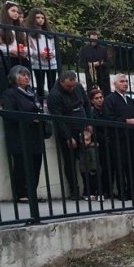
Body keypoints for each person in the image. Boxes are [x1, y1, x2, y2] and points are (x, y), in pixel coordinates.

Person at [0, 65, 47, 203]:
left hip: (35, 135)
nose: (27, 77)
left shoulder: (32, 94)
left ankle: (31, 192)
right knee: (21, 165)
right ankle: (21, 193)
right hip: (20, 136)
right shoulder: (10, 93)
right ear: (14, 77)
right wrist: (31, 119)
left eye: (28, 75)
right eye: (23, 75)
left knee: (36, 164)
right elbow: (10, 114)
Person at [47, 70, 92, 199]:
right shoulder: (54, 94)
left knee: (87, 160)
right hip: (68, 130)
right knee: (70, 162)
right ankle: (74, 191)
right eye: (68, 86)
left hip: (82, 127)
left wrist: (89, 123)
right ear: (61, 82)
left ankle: (90, 190)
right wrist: (68, 137)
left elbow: (87, 104)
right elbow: (58, 118)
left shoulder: (78, 87)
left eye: (73, 85)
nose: (72, 88)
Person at [104, 74, 134, 200]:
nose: (125, 84)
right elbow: (108, 118)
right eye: (122, 81)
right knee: (120, 166)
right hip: (118, 138)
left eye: (126, 81)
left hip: (132, 137)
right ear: (115, 84)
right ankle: (123, 192)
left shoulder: (130, 100)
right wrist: (127, 121)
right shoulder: (110, 100)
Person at [24, 8, 58, 100]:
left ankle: (52, 104)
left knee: (52, 86)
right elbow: (29, 49)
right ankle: (41, 105)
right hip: (38, 63)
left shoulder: (49, 33)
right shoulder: (29, 34)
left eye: (42, 18)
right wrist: (39, 54)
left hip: (51, 63)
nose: (40, 20)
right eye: (38, 17)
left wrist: (52, 53)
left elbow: (54, 47)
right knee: (40, 86)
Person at [88, 88, 113, 198]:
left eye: (101, 97)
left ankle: (109, 190)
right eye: (96, 98)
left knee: (110, 167)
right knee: (101, 168)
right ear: (92, 100)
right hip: (99, 143)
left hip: (109, 141)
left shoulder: (106, 110)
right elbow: (93, 129)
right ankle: (101, 190)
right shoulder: (92, 112)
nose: (99, 100)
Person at [0, 1, 30, 72]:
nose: (16, 13)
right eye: (13, 11)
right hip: (8, 59)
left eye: (17, 12)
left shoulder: (20, 29)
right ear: (6, 12)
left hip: (22, 60)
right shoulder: (0, 27)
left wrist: (25, 51)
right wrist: (11, 50)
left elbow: (27, 46)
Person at [78, 31, 111, 95]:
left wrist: (100, 63)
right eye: (92, 39)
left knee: (106, 95)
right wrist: (91, 64)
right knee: (92, 95)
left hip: (103, 76)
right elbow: (81, 64)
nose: (94, 41)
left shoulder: (103, 49)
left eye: (96, 39)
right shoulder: (84, 49)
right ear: (88, 39)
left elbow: (108, 63)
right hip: (91, 77)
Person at [78, 129, 102, 201]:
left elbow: (94, 159)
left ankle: (95, 194)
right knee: (86, 182)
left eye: (88, 140)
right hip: (84, 169)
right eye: (84, 140)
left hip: (92, 169)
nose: (87, 142)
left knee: (94, 182)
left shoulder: (92, 148)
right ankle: (87, 194)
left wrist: (94, 169)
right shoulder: (81, 149)